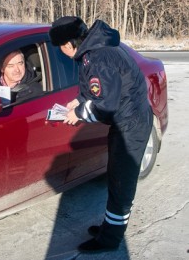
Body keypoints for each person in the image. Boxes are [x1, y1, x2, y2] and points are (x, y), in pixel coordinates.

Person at [48, 16, 153, 253]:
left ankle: (109, 240)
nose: (62, 52)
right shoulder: (95, 49)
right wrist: (79, 100)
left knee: (121, 183)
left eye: (61, 48)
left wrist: (79, 114)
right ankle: (110, 228)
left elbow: (106, 105)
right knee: (116, 178)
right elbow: (98, 90)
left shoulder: (97, 58)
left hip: (130, 125)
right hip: (126, 121)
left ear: (67, 44)